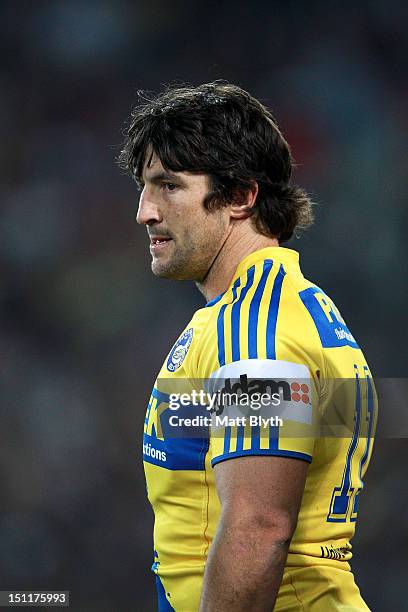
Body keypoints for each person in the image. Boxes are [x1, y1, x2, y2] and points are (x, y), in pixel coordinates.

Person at [118, 82, 377, 611]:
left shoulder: (256, 333)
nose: (145, 212)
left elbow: (258, 528)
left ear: (240, 195)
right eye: (144, 187)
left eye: (168, 186)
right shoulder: (278, 310)